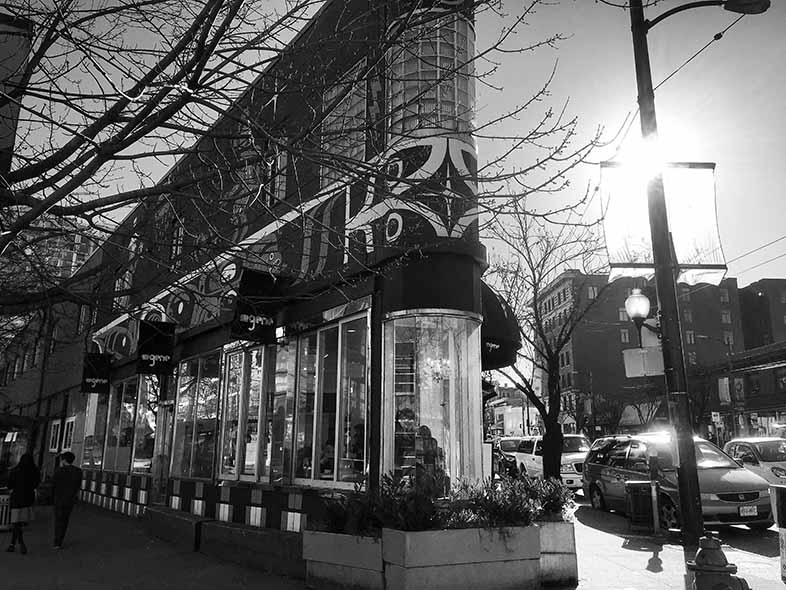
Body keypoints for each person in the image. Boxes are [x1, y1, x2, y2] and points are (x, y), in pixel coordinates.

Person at [6, 453, 40, 554]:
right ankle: (12, 544)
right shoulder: (35, 471)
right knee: (19, 523)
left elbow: (9, 485)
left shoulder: (15, 470)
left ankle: (21, 543)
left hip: (16, 498)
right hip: (28, 499)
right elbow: (36, 484)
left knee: (15, 523)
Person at [52, 451, 83, 549]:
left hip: (59, 498)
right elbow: (78, 485)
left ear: (64, 460)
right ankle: (60, 539)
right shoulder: (78, 471)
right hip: (70, 499)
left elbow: (54, 485)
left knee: (58, 519)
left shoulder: (59, 471)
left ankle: (57, 541)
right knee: (65, 519)